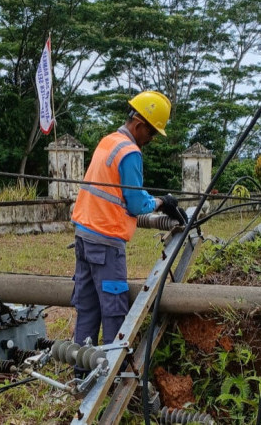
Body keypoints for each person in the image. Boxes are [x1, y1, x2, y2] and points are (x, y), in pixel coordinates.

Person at [70, 90, 187, 358]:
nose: (152, 139)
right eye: (152, 133)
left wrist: (152, 199)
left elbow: (118, 191)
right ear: (138, 125)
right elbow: (135, 204)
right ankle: (111, 378)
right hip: (106, 241)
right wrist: (161, 202)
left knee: (87, 308)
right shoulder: (130, 151)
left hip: (84, 236)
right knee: (113, 311)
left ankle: (82, 374)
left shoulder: (108, 141)